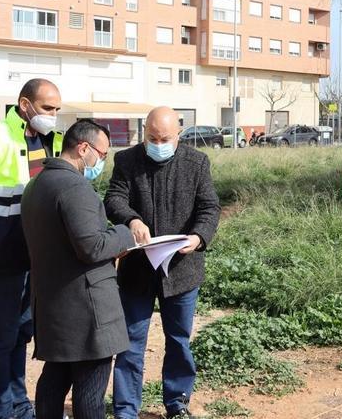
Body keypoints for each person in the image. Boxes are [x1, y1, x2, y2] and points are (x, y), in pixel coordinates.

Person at [105, 107, 220, 419]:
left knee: (179, 341)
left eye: (165, 138)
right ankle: (126, 410)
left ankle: (177, 403)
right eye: (151, 138)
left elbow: (209, 208)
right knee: (130, 343)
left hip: (182, 271)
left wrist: (197, 237)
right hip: (137, 271)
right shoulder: (126, 161)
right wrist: (131, 220)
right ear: (144, 134)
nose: (158, 143)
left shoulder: (197, 162)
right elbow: (114, 199)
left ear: (179, 134)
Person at [20, 119, 135, 419]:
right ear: (84, 148)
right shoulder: (74, 187)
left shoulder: (37, 183)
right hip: (87, 313)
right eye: (102, 153)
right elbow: (92, 247)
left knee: (53, 384)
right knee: (89, 393)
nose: (102, 161)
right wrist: (125, 234)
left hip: (53, 306)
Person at [0, 78, 62, 419]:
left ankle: (20, 404)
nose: (53, 115)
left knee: (23, 332)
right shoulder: (2, 137)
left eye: (56, 109)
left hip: (35, 255)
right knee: (3, 335)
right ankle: (4, 408)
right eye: (48, 108)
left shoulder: (51, 139)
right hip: (5, 255)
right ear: (25, 105)